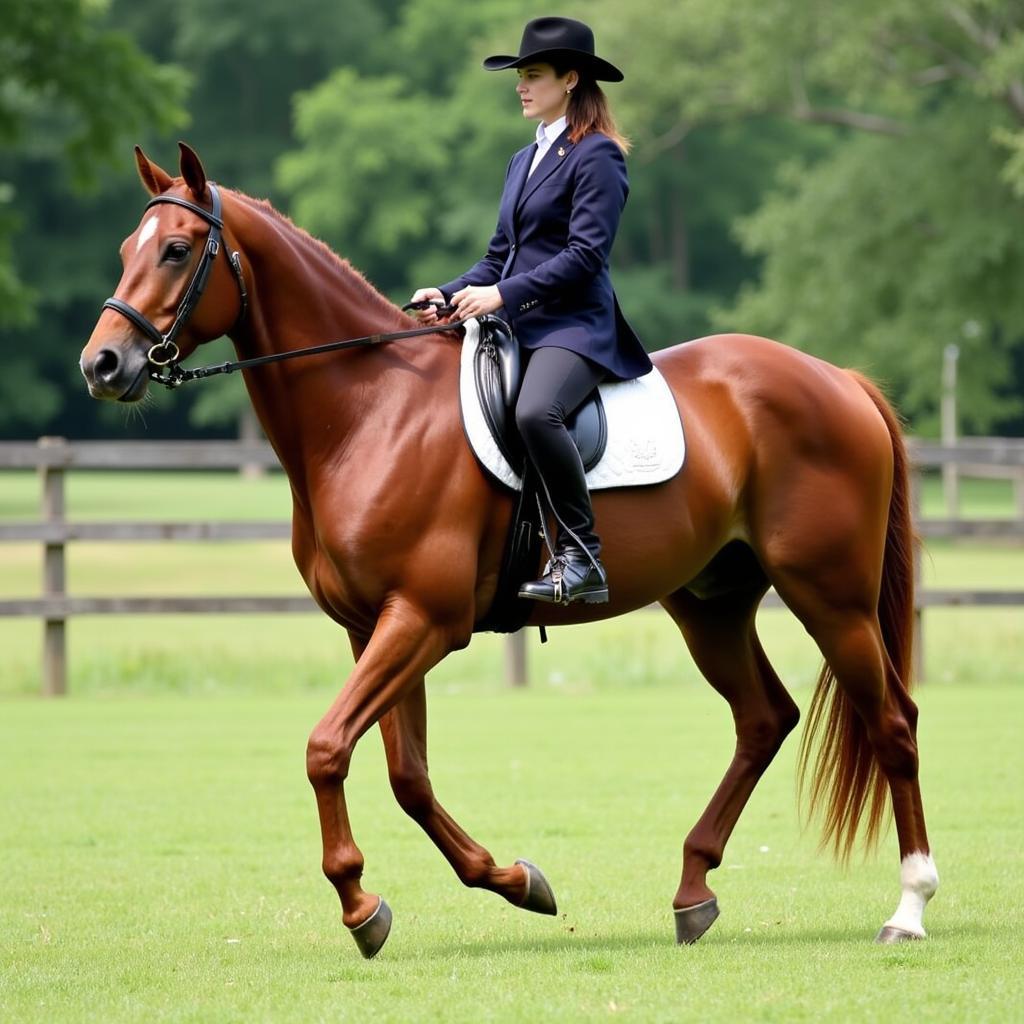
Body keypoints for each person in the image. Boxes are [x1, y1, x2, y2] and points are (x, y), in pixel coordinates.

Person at [410, 15, 652, 605]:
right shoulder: (523, 160)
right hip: (520, 324)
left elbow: (585, 256)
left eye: (534, 75)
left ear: (570, 79)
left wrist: (501, 296)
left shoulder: (597, 156)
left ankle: (581, 556)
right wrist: (447, 292)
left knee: (536, 412)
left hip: (574, 327)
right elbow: (500, 257)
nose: (521, 85)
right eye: (519, 75)